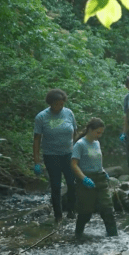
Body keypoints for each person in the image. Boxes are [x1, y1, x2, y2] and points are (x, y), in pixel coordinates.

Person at [33, 89, 77, 222]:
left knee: (72, 183)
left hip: (69, 154)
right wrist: (37, 161)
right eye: (57, 104)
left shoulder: (69, 113)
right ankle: (58, 215)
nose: (59, 106)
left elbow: (74, 132)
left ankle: (72, 211)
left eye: (62, 104)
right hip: (51, 156)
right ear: (50, 103)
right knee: (56, 185)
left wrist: (77, 151)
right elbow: (37, 140)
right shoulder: (41, 117)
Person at [71, 118, 117, 238]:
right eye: (98, 132)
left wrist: (103, 171)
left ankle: (114, 238)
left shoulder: (97, 143)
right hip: (86, 181)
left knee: (108, 210)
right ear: (90, 130)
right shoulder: (80, 144)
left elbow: (97, 161)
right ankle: (78, 236)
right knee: (85, 213)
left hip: (100, 179)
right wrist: (84, 179)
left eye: (101, 132)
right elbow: (73, 164)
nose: (100, 135)